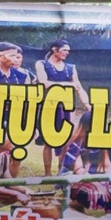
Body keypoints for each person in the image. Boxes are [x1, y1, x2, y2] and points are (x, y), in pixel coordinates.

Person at [34, 38, 89, 175]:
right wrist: (68, 85)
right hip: (48, 106)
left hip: (66, 107)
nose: (67, 53)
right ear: (54, 49)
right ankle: (47, 173)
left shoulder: (71, 68)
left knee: (66, 139)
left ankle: (61, 171)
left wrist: (87, 104)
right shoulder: (42, 64)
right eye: (64, 50)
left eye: (68, 51)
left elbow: (79, 87)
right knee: (48, 141)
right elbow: (44, 82)